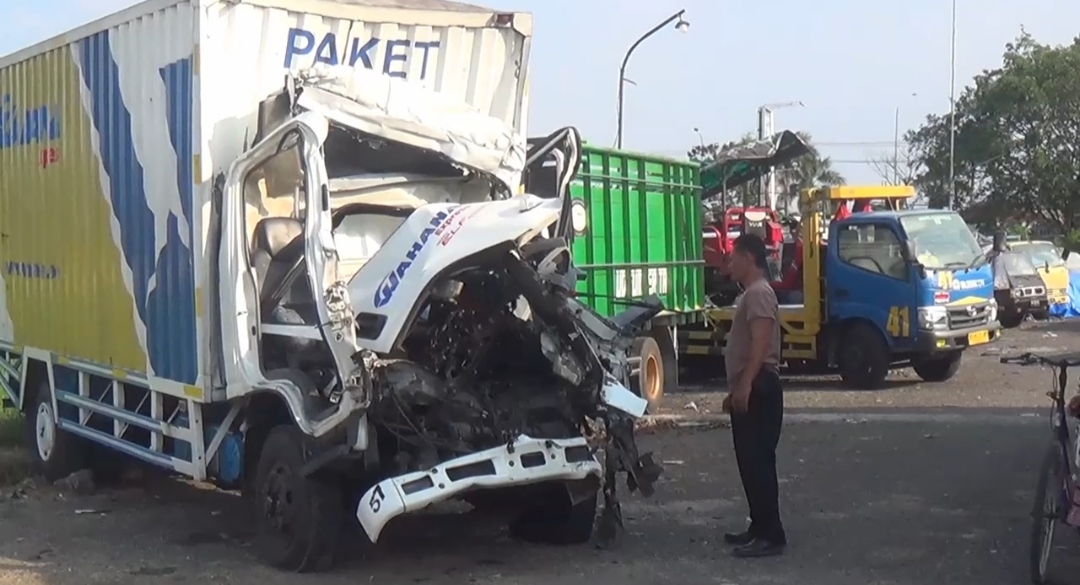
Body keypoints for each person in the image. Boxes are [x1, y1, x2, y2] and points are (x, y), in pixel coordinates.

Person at [721, 233, 787, 558]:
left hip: (760, 386)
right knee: (748, 461)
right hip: (750, 385)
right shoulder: (751, 294)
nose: (729, 265)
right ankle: (758, 527)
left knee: (758, 461)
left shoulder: (759, 294)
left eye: (733, 258)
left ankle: (771, 534)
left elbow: (760, 343)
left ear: (748, 258)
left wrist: (746, 383)